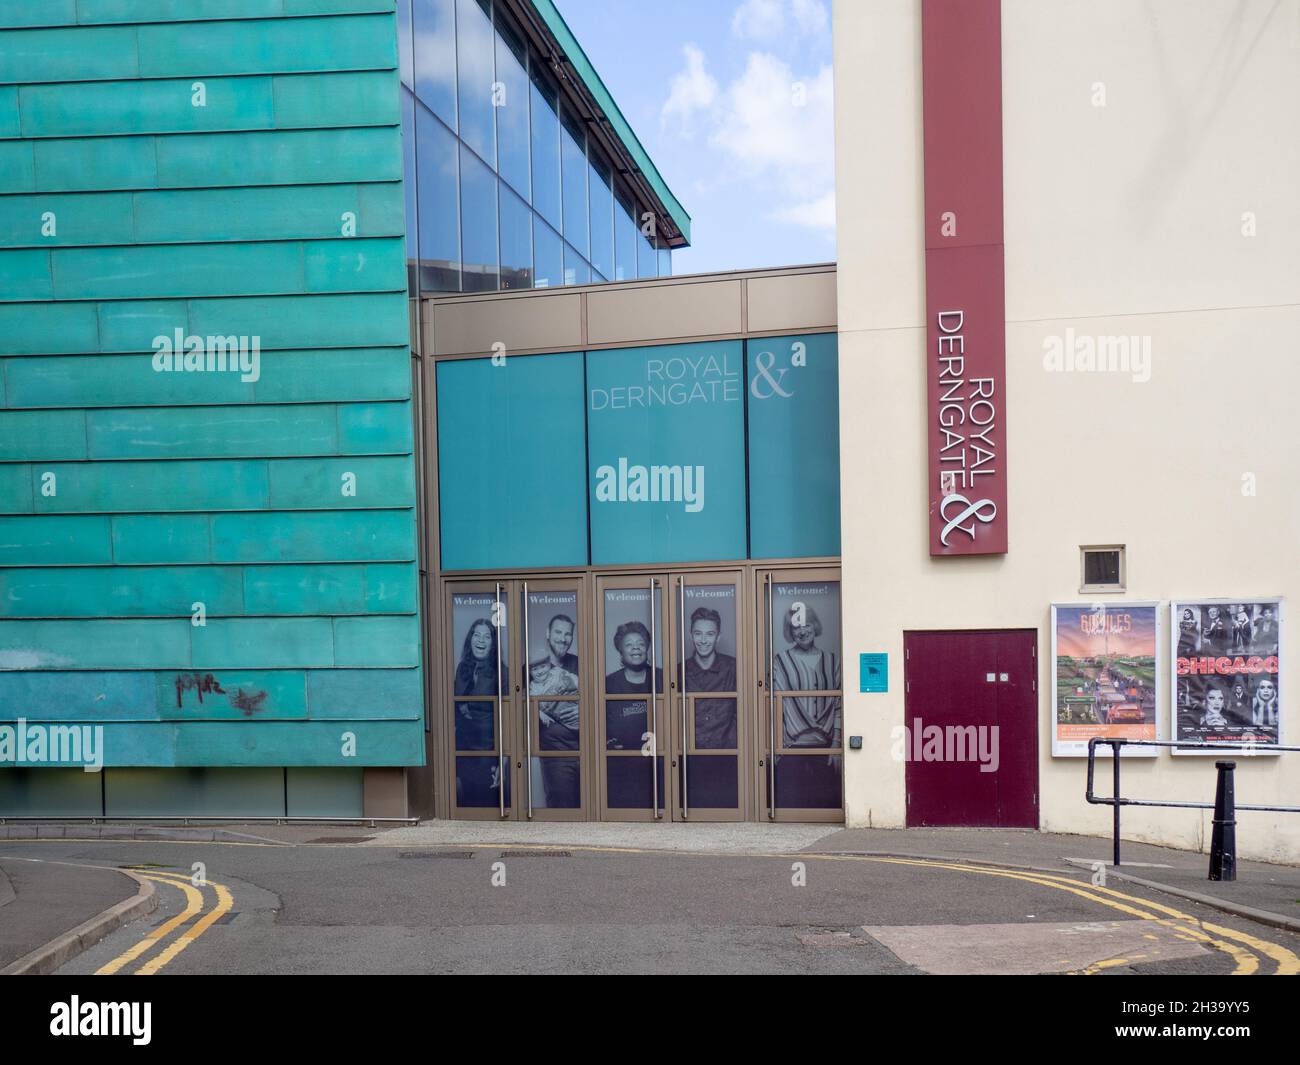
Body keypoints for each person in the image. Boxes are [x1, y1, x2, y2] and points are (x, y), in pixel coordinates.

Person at [453, 618, 505, 807]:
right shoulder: (462, 669)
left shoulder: (501, 672)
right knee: (464, 803)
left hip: (487, 750)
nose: (481, 640)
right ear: (470, 639)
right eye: (476, 635)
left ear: (493, 643)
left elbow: (506, 719)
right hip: (463, 749)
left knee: (483, 804)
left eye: (487, 636)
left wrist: (501, 759)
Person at [533, 613, 581, 808]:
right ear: (547, 633)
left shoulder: (581, 664)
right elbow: (520, 709)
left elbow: (598, 699)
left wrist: (583, 710)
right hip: (555, 754)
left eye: (568, 634)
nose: (563, 638)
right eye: (558, 632)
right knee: (562, 808)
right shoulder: (530, 668)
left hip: (587, 749)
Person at [681, 606, 737, 749]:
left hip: (728, 756)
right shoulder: (678, 672)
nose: (704, 640)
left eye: (710, 634)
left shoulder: (734, 668)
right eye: (698, 633)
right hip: (689, 757)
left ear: (718, 637)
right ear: (690, 635)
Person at [605, 620, 663, 693]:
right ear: (621, 651)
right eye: (629, 644)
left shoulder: (662, 677)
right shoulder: (609, 683)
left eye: (641, 644)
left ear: (647, 648)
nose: (635, 647)